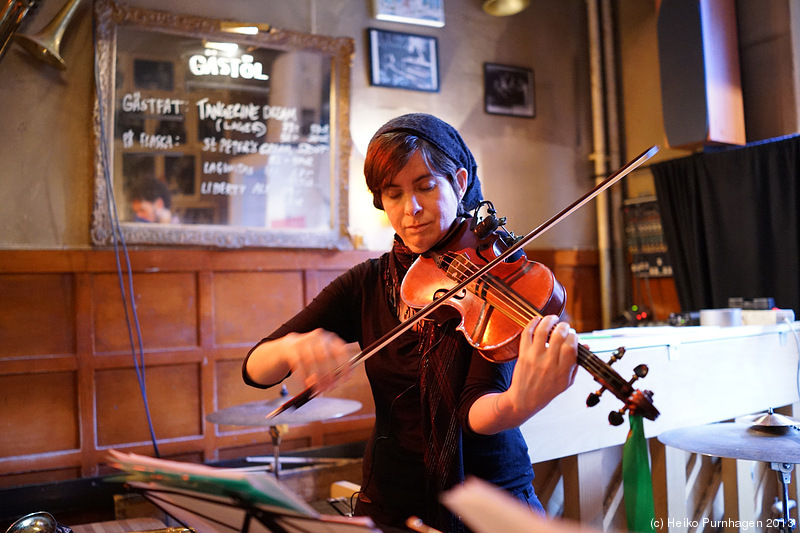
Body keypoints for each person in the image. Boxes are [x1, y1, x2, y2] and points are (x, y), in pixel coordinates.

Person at [242, 113, 579, 532]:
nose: (410, 209)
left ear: (458, 182)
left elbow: (475, 406)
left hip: (492, 505)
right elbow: (256, 368)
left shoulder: (495, 274)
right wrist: (289, 348)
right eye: (393, 193)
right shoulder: (368, 282)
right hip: (391, 504)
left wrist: (518, 404)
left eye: (425, 186)